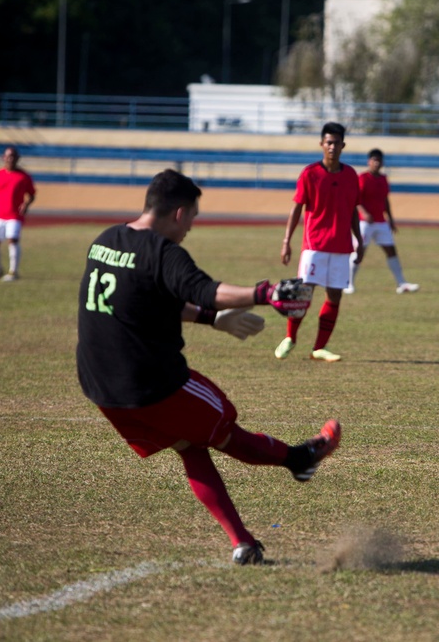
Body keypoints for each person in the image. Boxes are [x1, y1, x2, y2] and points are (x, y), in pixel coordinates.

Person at [76, 168, 340, 566]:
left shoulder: (106, 239)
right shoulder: (164, 251)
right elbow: (207, 292)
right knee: (224, 430)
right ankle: (299, 459)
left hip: (100, 386)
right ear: (179, 213)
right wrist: (265, 293)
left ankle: (243, 542)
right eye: (193, 219)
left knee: (190, 444)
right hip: (149, 384)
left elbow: (143, 301)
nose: (190, 229)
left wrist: (211, 320)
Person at [277, 122, 365, 362]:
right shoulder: (310, 174)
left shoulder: (350, 176)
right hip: (314, 246)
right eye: (328, 142)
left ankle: (319, 348)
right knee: (303, 294)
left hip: (341, 247)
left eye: (337, 143)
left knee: (334, 296)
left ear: (343, 145)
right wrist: (287, 241)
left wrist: (359, 240)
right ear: (321, 144)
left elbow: (353, 212)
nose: (332, 147)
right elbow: (297, 209)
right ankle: (290, 337)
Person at [345, 148, 420, 295]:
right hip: (364, 223)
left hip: (380, 222)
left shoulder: (383, 179)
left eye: (379, 160)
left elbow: (385, 200)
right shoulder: (362, 178)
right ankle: (348, 283)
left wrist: (390, 220)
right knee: (359, 251)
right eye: (374, 160)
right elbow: (355, 199)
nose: (377, 163)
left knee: (391, 250)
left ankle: (401, 283)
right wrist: (364, 213)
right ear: (369, 161)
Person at [0, 146, 36, 281]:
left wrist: (26, 204)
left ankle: (13, 272)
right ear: (3, 157)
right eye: (8, 156)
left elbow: (31, 195)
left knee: (12, 240)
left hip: (15, 216)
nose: (11, 158)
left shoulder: (24, 176)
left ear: (18, 158)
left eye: (13, 156)